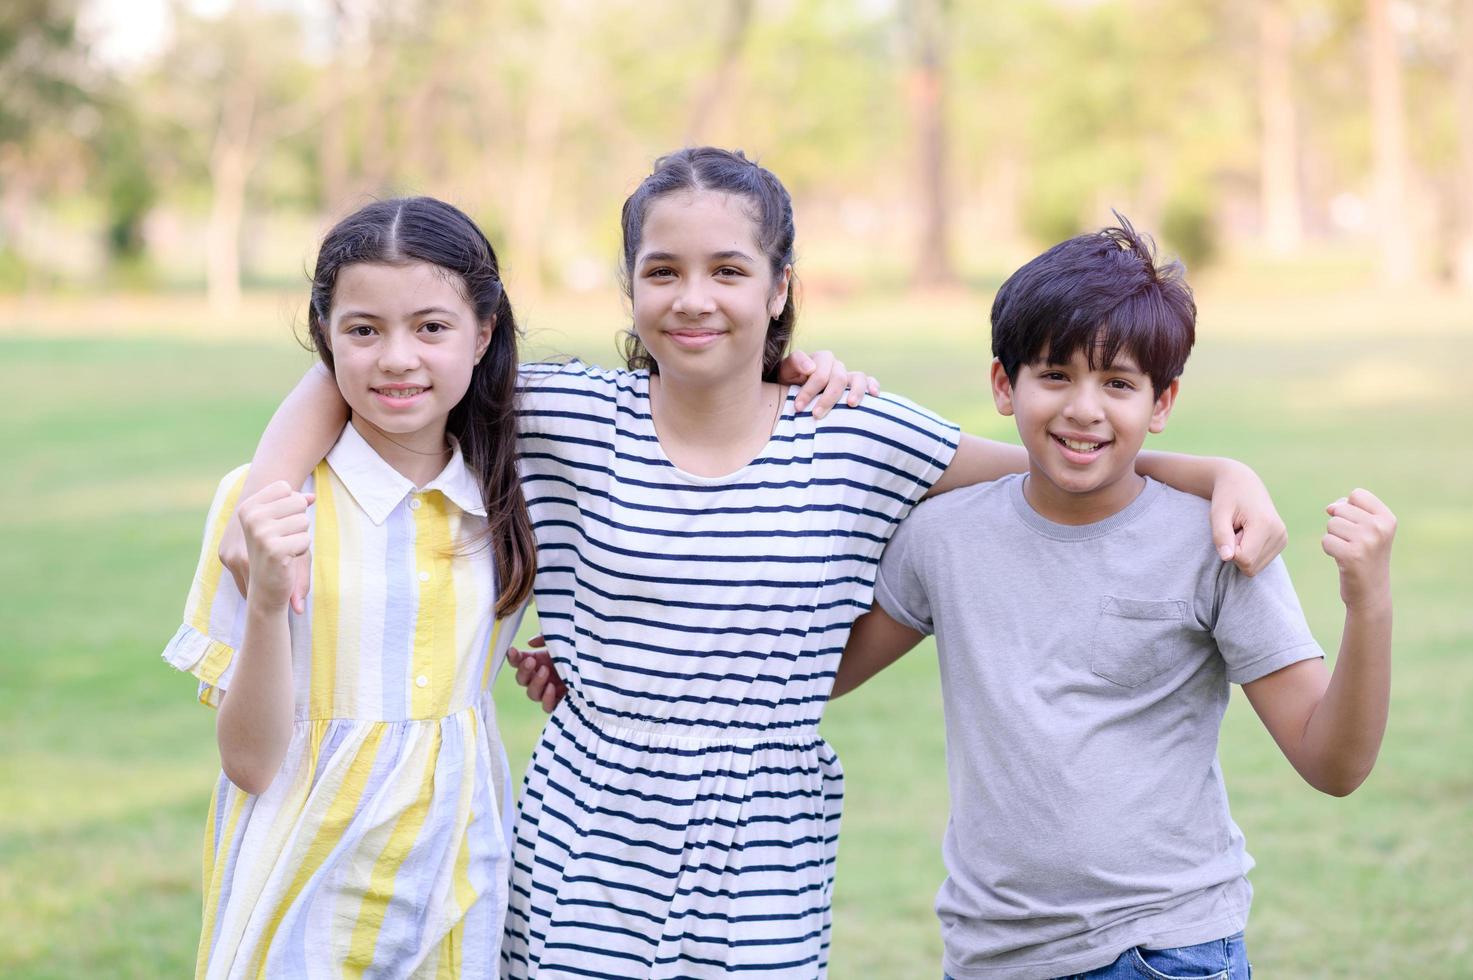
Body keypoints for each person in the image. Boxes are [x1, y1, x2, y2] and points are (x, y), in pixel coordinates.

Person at [227, 149, 1286, 979]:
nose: (697, 297)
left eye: (730, 269)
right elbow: (373, 363)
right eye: (665, 271)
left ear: (782, 287)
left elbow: (1057, 463)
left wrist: (1218, 468)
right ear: (631, 288)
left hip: (765, 842)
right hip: (589, 821)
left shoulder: (861, 435)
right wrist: (266, 490)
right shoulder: (561, 413)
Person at [830, 217, 1396, 979]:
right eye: (1054, 376)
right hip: (989, 956)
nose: (1083, 410)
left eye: (1118, 383)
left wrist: (1369, 605)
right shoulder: (943, 539)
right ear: (1005, 385)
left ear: (1160, 403)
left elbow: (1333, 765)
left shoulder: (1217, 540)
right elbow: (812, 674)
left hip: (1165, 951)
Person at [162, 197, 538, 977]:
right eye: (362, 330)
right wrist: (266, 596)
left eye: (431, 327)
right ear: (325, 341)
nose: (397, 358)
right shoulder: (266, 506)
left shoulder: (513, 487)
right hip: (303, 891)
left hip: (461, 875)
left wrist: (793, 365)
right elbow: (251, 764)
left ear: (484, 331)